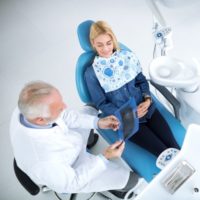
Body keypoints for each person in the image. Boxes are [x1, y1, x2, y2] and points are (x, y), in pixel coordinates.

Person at [10, 81, 139, 196]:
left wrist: (97, 122)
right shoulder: (44, 162)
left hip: (69, 143)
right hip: (72, 170)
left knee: (91, 108)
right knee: (132, 180)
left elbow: (66, 116)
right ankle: (113, 189)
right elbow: (74, 182)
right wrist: (104, 157)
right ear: (40, 120)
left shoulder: (26, 109)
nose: (65, 106)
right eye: (60, 108)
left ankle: (88, 141)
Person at [84, 20, 180, 157]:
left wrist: (147, 99)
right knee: (163, 153)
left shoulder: (126, 57)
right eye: (100, 45)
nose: (105, 49)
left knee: (174, 146)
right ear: (93, 43)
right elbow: (101, 103)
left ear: (113, 40)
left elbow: (141, 81)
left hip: (148, 109)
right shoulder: (91, 73)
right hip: (127, 120)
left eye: (108, 43)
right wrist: (130, 113)